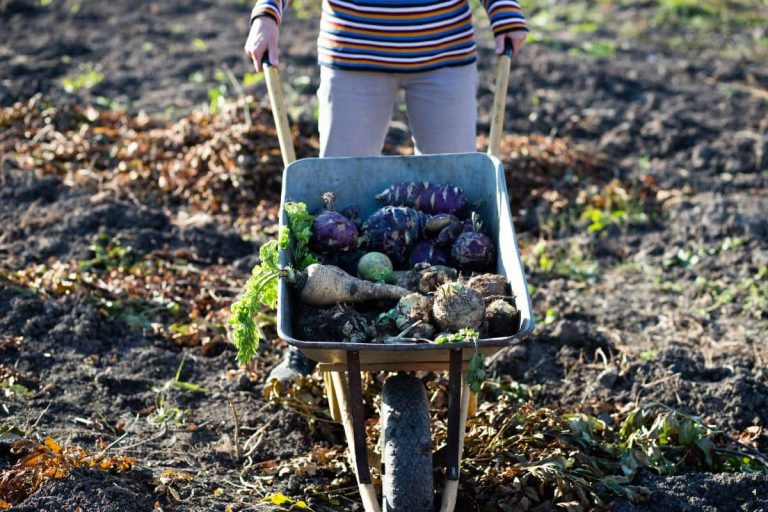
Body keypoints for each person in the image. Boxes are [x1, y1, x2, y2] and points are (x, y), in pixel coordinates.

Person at [244, 0, 528, 381]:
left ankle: (458, 323)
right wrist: (267, 15)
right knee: (335, 213)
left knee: (457, 207)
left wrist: (504, 9)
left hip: (444, 55)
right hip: (353, 55)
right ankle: (313, 342)